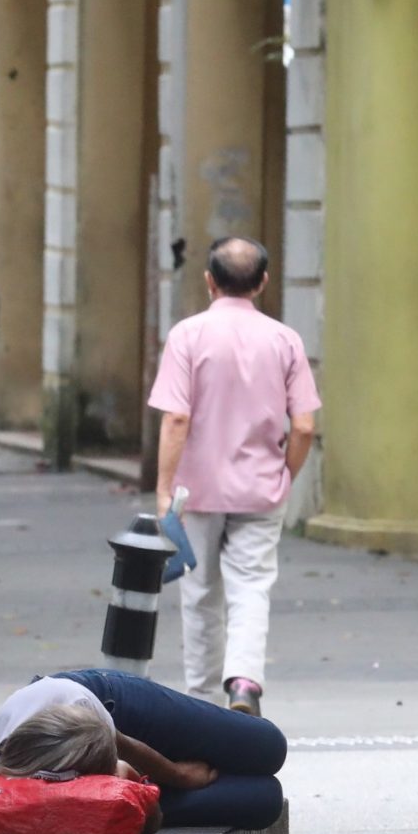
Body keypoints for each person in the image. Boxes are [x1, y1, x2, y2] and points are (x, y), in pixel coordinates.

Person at [149, 236, 320, 717]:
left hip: (197, 490)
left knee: (199, 591)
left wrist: (164, 491)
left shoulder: (187, 335)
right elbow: (304, 425)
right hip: (262, 490)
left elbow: (176, 419)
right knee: (251, 587)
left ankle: (201, 701)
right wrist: (285, 475)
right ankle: (244, 684)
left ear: (209, 281)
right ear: (262, 282)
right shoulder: (285, 339)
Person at [0, 668, 285, 830]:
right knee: (264, 800)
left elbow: (120, 745)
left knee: (268, 746)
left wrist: (181, 776)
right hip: (78, 755)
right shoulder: (4, 790)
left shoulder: (74, 717)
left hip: (108, 704)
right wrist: (134, 794)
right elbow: (140, 805)